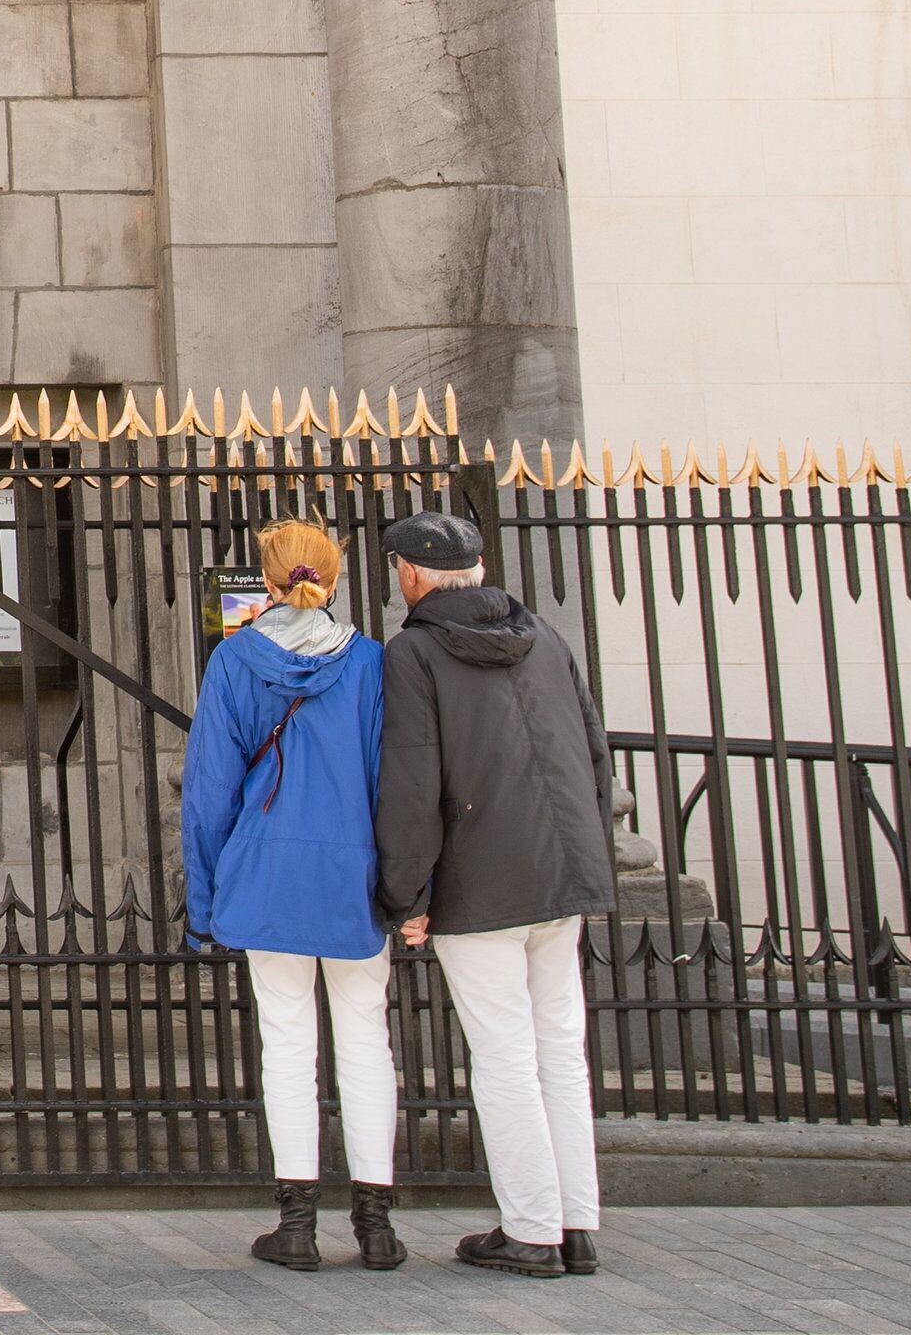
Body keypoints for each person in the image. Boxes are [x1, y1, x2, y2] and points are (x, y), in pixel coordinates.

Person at [375, 510, 617, 1280]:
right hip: (561, 869)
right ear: (478, 569)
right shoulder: (543, 636)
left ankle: (532, 1229)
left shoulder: (413, 652)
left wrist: (405, 893)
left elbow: (412, 783)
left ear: (410, 575)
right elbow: (593, 750)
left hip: (480, 879)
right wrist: (587, 854)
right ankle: (575, 1221)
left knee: (504, 1053)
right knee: (560, 1052)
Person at [183, 519, 404, 1275]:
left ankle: (298, 1222)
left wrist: (204, 898)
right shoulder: (371, 663)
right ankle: (376, 1224)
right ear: (334, 579)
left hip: (268, 870)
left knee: (287, 1044)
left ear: (266, 580)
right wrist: (407, 888)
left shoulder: (236, 660)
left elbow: (209, 792)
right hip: (354, 875)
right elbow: (392, 784)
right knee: (366, 1043)